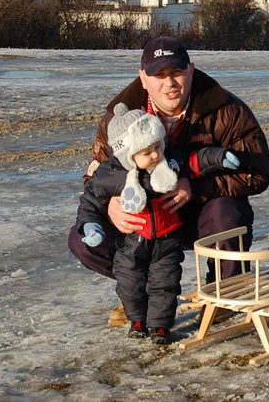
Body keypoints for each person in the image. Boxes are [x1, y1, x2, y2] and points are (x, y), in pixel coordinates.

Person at [68, 36, 269, 324]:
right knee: (83, 239)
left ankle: (225, 291)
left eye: (176, 72)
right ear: (143, 78)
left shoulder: (227, 110)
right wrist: (112, 204)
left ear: (190, 70)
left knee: (228, 211)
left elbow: (260, 173)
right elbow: (94, 179)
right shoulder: (119, 118)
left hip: (200, 214)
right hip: (145, 220)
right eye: (159, 75)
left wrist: (198, 188)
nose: (170, 83)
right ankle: (138, 291)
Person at [76, 103, 192, 345]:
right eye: (146, 151)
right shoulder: (111, 175)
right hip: (132, 242)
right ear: (127, 153)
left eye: (157, 146)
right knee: (130, 283)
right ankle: (137, 320)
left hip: (166, 240)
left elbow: (196, 160)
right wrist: (90, 225)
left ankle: (160, 326)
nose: (155, 155)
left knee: (165, 283)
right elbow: (91, 199)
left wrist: (219, 158)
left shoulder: (167, 164)